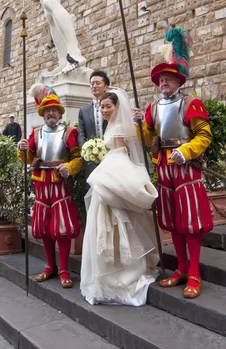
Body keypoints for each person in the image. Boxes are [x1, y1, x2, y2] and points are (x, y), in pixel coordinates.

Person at [140, 28, 214, 299]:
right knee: (173, 222)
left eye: (168, 79)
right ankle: (181, 268)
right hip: (164, 169)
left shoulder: (191, 104)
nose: (163, 83)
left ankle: (194, 272)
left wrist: (188, 150)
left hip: (185, 169)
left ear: (178, 81)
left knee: (190, 222)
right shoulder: (153, 108)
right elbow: (149, 138)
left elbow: (204, 135)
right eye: (160, 80)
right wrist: (140, 124)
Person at [80, 88, 158, 306]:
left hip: (113, 175)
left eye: (108, 106)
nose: (104, 110)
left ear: (117, 107)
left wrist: (107, 167)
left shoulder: (121, 127)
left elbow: (122, 153)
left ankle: (123, 274)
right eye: (102, 106)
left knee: (118, 223)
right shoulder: (110, 126)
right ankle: (107, 275)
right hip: (106, 174)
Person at [18, 91, 82, 288]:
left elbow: (78, 158)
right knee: (44, 227)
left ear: (60, 113)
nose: (50, 113)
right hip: (40, 182)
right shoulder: (35, 133)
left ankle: (63, 269)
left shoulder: (70, 132)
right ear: (43, 114)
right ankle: (50, 266)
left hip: (59, 183)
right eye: (47, 111)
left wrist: (69, 168)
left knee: (61, 227)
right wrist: (21, 150)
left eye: (54, 110)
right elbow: (29, 158)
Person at [78, 70, 110, 186]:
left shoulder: (113, 107)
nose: (94, 86)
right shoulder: (83, 111)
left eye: (97, 83)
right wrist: (87, 152)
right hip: (91, 159)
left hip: (111, 157)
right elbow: (81, 133)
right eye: (92, 84)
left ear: (106, 87)